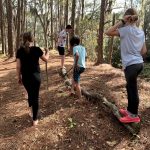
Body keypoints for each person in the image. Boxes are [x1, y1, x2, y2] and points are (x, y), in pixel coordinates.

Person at [105, 8, 147, 123]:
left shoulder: (125, 30)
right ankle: (129, 111)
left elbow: (107, 32)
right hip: (139, 64)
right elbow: (144, 51)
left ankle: (134, 116)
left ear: (126, 18)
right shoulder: (141, 32)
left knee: (132, 89)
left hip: (131, 65)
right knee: (129, 87)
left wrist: (121, 22)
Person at [16, 32, 49, 126]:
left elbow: (18, 66)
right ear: (32, 39)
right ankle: (35, 119)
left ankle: (32, 113)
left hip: (26, 78)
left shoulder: (20, 51)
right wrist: (48, 52)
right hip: (36, 77)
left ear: (23, 39)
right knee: (35, 97)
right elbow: (46, 59)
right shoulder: (36, 49)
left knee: (31, 95)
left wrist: (19, 77)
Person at [69, 36, 86, 103]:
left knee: (77, 83)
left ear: (72, 43)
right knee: (74, 77)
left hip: (78, 67)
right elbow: (85, 56)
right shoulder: (83, 48)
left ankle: (80, 99)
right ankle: (72, 91)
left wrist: (76, 65)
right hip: (83, 67)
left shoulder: (75, 48)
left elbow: (77, 55)